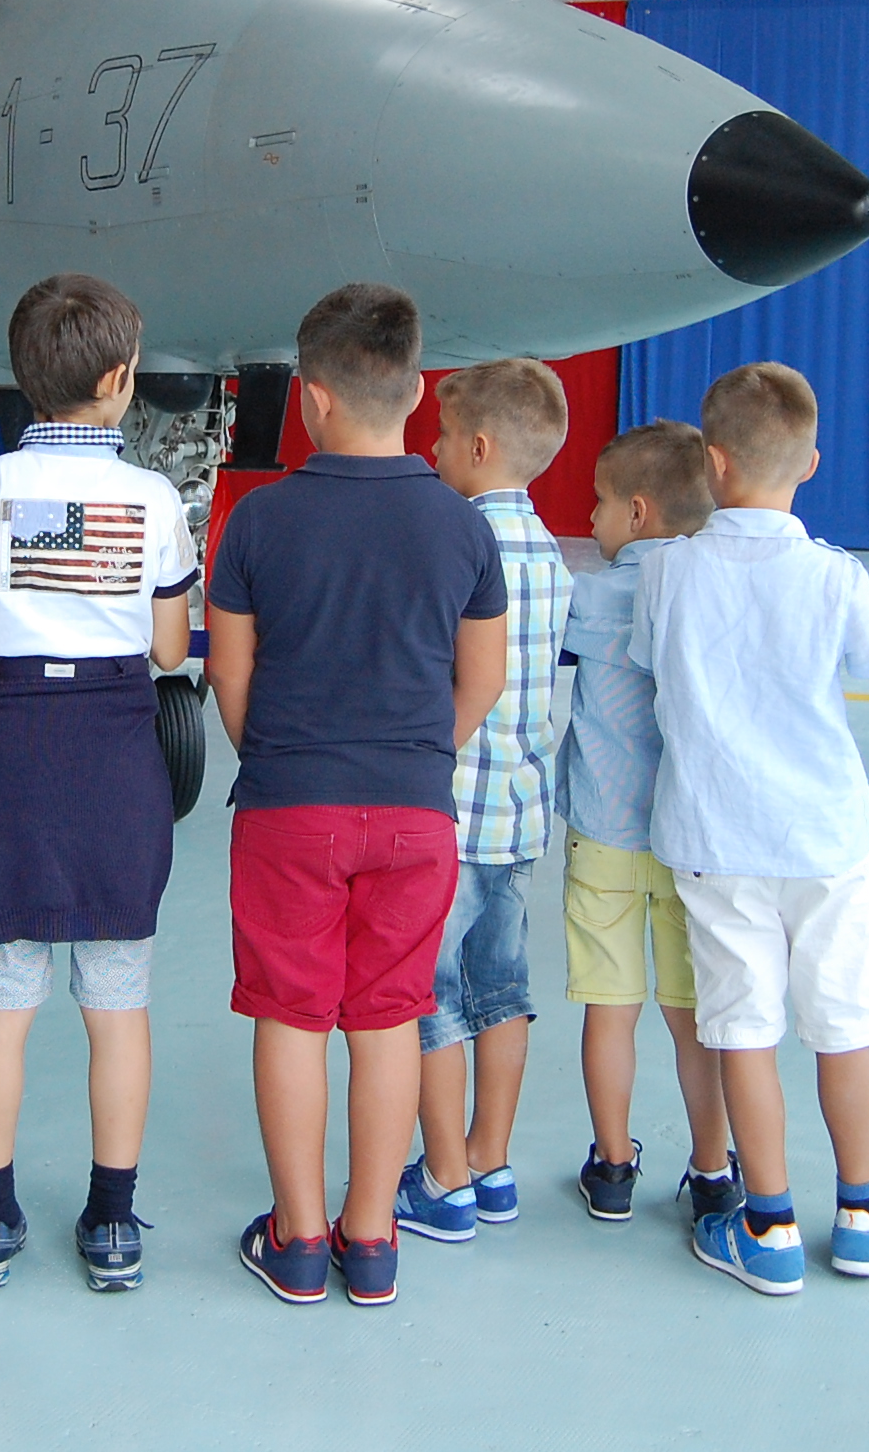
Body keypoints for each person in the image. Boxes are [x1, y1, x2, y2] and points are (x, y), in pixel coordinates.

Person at [206, 283, 508, 1309]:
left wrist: (284, 755)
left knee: (291, 1014)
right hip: (415, 806)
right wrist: (419, 754)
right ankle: (371, 1236)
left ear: (308, 397)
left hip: (289, 800)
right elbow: (483, 677)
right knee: (387, 1016)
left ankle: (295, 1238)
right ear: (417, 391)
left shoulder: (257, 519)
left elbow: (229, 674)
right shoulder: (464, 530)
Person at [0, 274, 198, 1293]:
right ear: (119, 380)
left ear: (21, 378)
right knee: (116, 1001)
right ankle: (112, 1221)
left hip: (10, 756)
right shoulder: (154, 499)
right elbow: (170, 645)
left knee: (0, 995)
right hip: (114, 754)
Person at [629, 363, 869, 1297]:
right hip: (824, 843)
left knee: (744, 1030)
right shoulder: (835, 575)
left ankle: (764, 1226)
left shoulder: (666, 570)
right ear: (809, 462)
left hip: (715, 841)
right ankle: (863, 1214)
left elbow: (651, 672)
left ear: (713, 464)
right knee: (842, 1027)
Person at [395, 359, 572, 1243]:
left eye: (437, 439)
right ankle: (493, 1159)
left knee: (431, 998)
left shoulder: (453, 542)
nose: (428, 453)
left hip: (448, 810)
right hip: (520, 818)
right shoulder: (553, 554)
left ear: (475, 446)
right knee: (502, 990)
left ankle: (443, 1175)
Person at [556, 420, 730, 1226]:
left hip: (604, 832)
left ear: (635, 511)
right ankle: (712, 1167)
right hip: (692, 836)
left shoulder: (592, 591)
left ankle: (615, 1166)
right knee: (695, 1015)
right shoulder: (708, 588)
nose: (588, 520)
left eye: (596, 505)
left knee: (610, 1007)